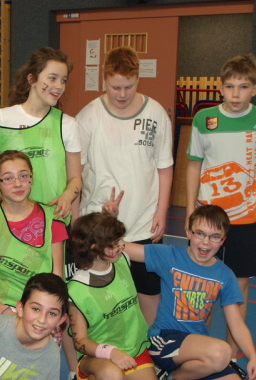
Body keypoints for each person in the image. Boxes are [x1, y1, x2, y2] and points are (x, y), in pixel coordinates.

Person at [186, 53, 256, 369]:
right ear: (220, 88)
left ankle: (230, 356)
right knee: (202, 285)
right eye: (230, 86)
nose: (236, 94)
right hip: (209, 219)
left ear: (255, 89)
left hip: (246, 218)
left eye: (243, 87)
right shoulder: (204, 120)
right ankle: (201, 350)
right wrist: (190, 207)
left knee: (239, 287)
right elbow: (194, 164)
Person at [125, 205, 256, 380]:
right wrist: (108, 219)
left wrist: (253, 356)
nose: (205, 242)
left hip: (197, 349)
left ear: (223, 240)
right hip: (164, 341)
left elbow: (236, 323)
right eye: (200, 234)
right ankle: (175, 379)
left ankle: (182, 378)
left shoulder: (225, 275)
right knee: (221, 352)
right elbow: (124, 247)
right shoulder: (170, 255)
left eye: (214, 237)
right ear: (189, 232)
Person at [76, 46, 174, 327]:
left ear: (138, 79)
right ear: (104, 80)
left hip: (143, 224)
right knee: (100, 298)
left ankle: (151, 349)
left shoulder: (156, 113)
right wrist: (76, 223)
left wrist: (162, 211)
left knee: (149, 295)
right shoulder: (88, 116)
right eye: (114, 87)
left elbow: (164, 167)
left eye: (128, 87)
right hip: (98, 226)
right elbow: (76, 174)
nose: (121, 94)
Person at [67, 213, 163, 380]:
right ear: (94, 247)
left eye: (120, 240)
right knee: (111, 379)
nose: (121, 246)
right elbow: (80, 342)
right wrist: (111, 352)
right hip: (100, 358)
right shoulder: (76, 289)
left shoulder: (123, 261)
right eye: (114, 243)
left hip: (135, 351)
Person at [0, 47, 82, 224]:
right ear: (32, 79)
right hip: (12, 221)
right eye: (52, 78)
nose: (59, 86)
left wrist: (67, 197)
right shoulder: (3, 118)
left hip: (54, 221)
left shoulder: (67, 124)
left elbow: (75, 178)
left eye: (63, 80)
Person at [0, 150, 67, 315]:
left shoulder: (52, 219)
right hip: (1, 309)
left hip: (42, 309)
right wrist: (6, 312)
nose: (18, 183)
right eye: (8, 178)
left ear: (32, 177)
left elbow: (57, 280)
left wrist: (40, 314)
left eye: (23, 176)